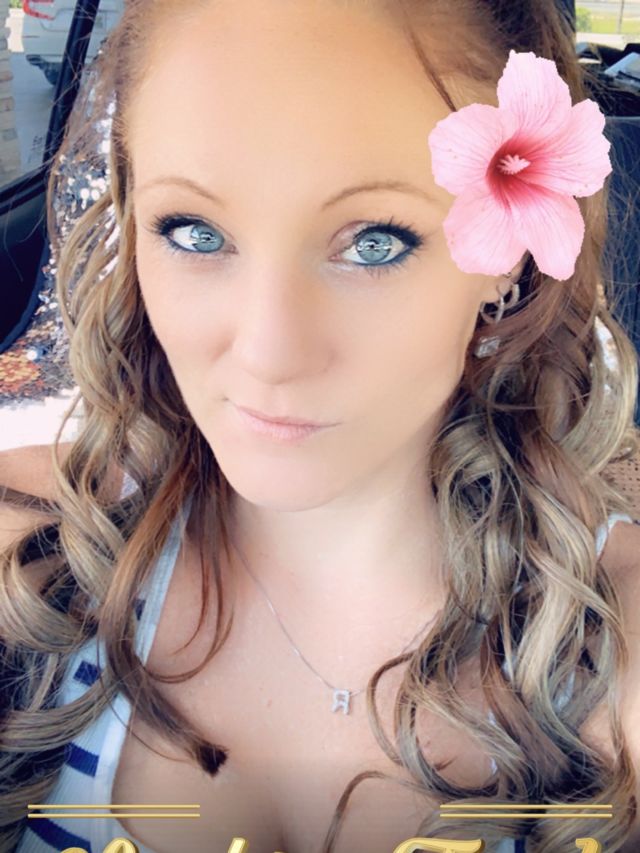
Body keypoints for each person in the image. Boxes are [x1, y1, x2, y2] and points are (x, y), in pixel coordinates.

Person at [1, 1, 640, 852]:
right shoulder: (31, 557)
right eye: (195, 232)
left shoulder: (613, 643)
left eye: (375, 242)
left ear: (509, 258)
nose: (268, 352)